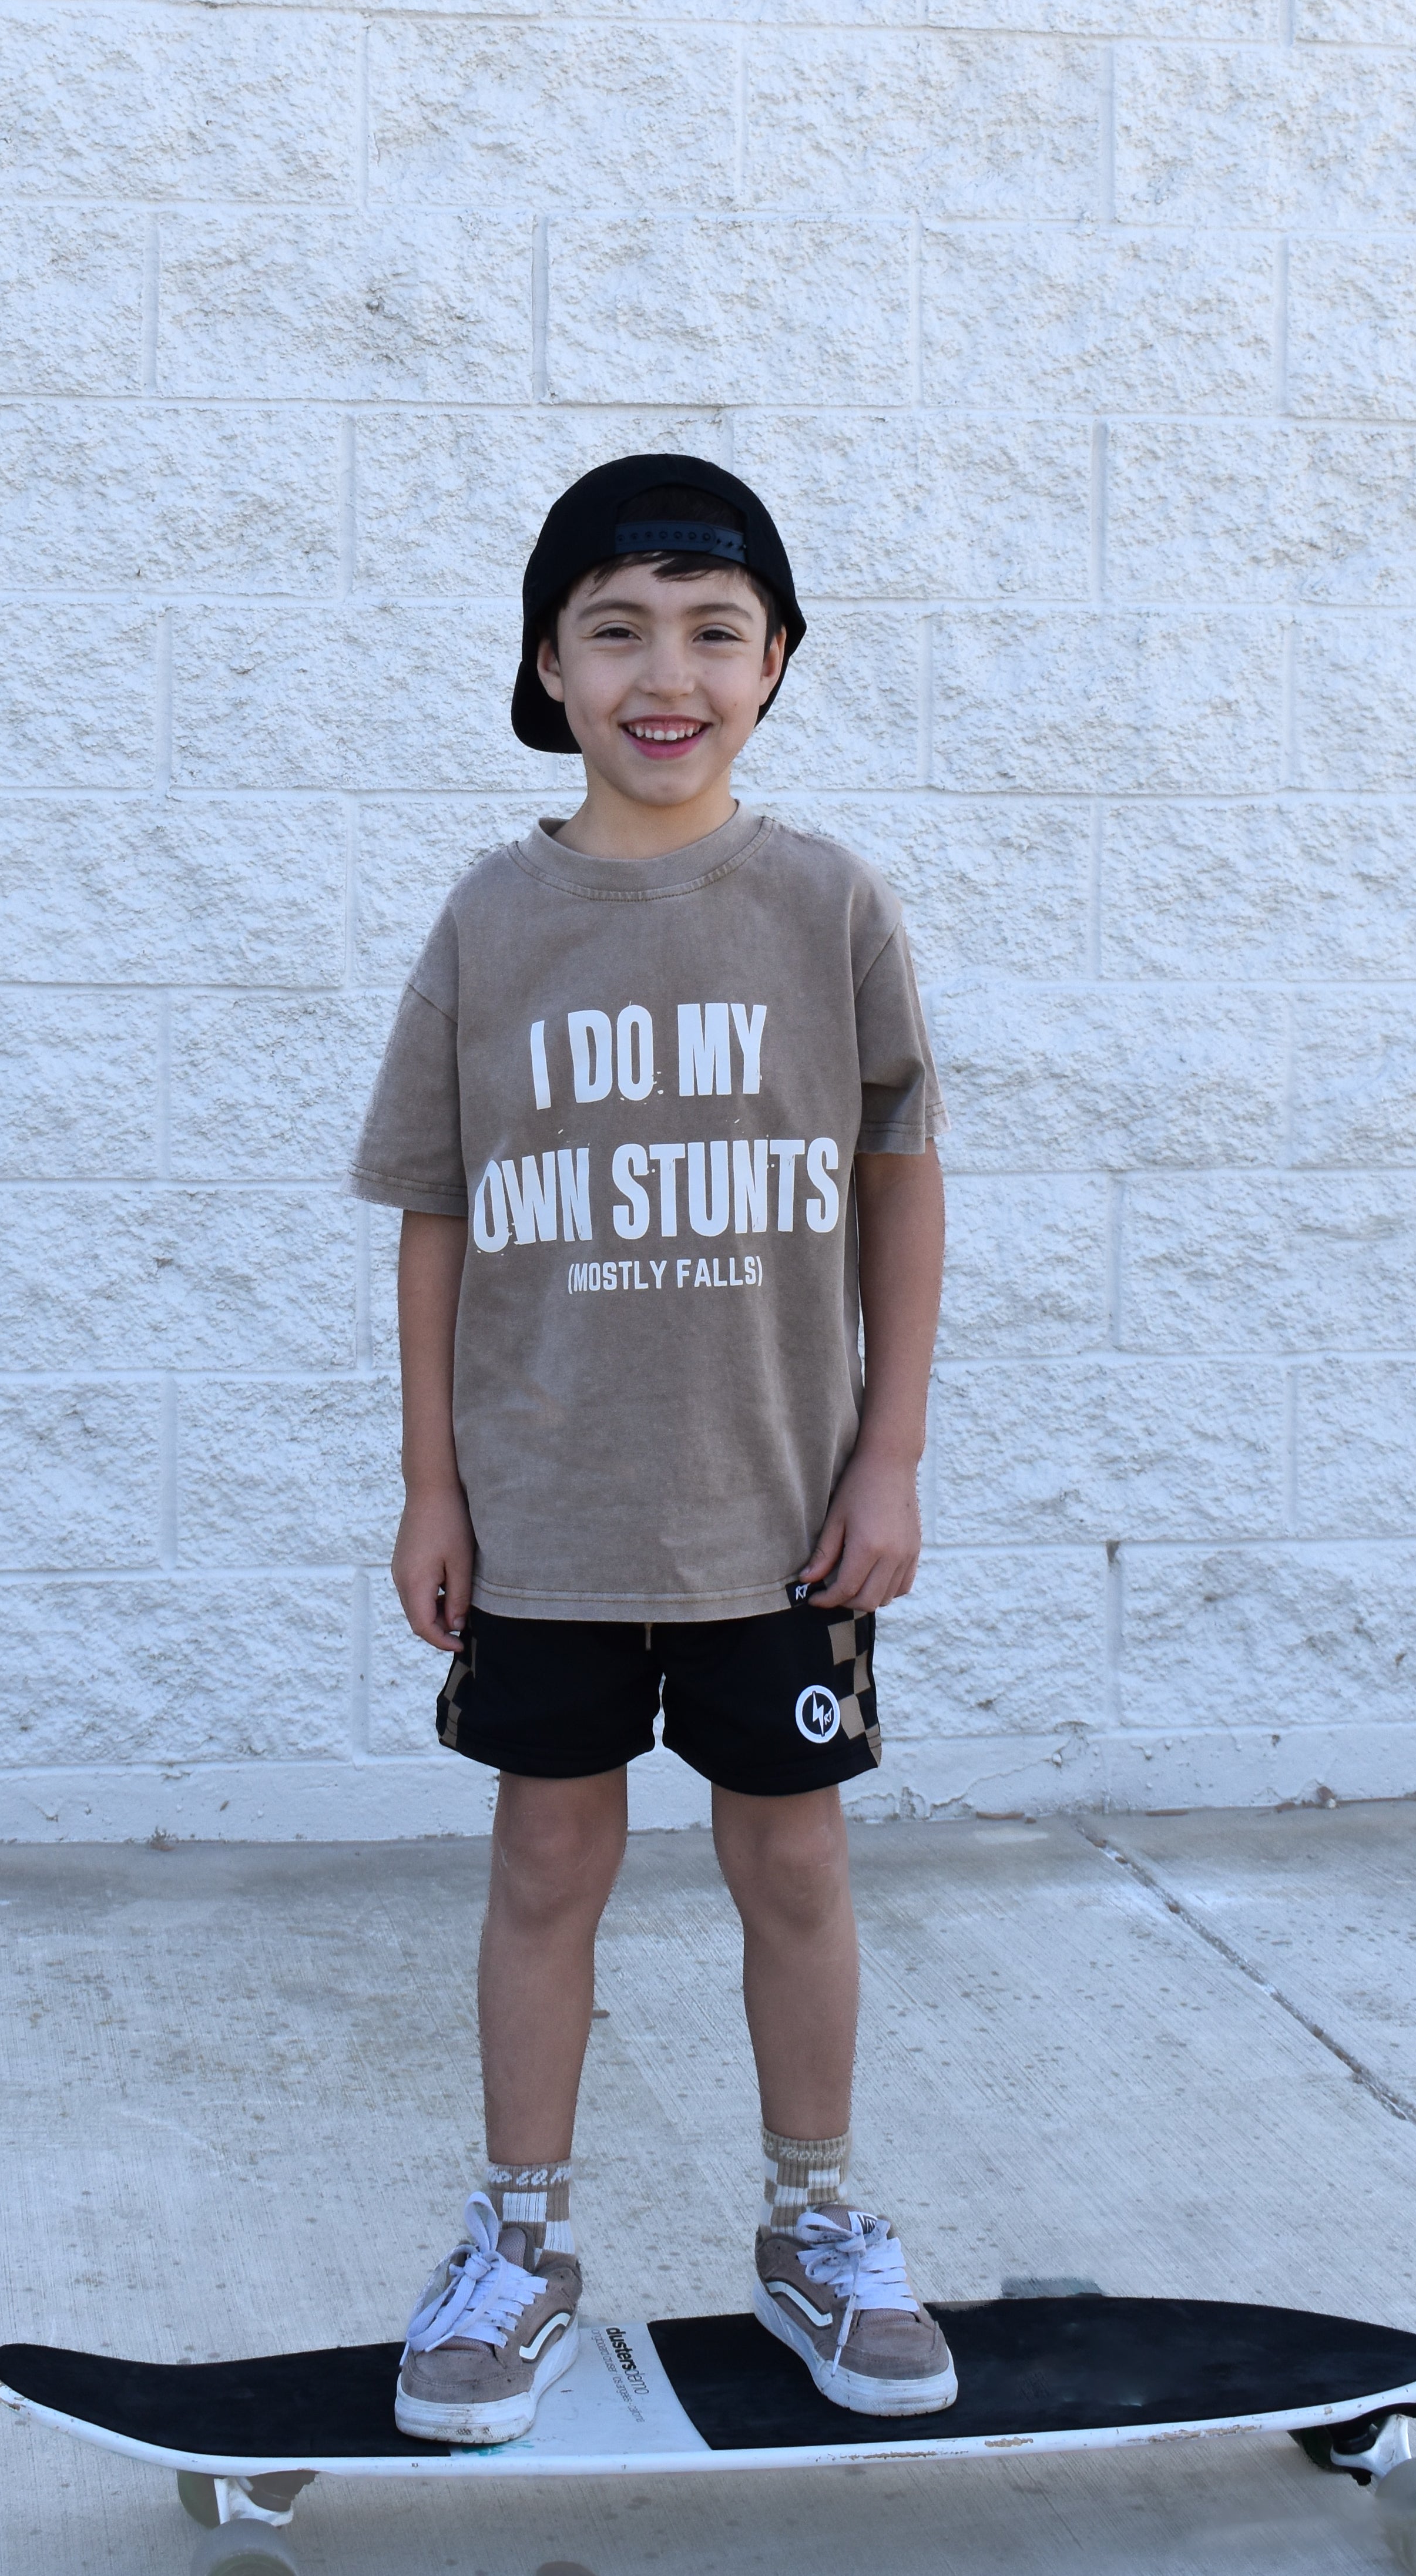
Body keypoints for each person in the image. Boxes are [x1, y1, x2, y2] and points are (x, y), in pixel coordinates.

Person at [347, 451, 952, 2445]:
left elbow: (900, 1178)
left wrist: (890, 1459)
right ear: (547, 663)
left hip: (777, 1516)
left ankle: (815, 2222)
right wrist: (434, 1479)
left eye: (714, 628)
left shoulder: (826, 903)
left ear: (778, 663)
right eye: (615, 626)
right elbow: (435, 1207)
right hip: (543, 1511)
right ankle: (518, 2244)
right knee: (546, 1858)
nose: (664, 669)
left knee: (792, 1857)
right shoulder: (493, 919)